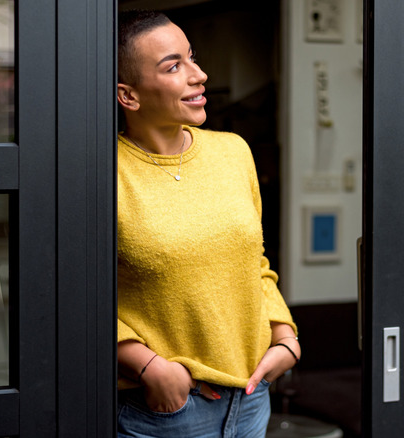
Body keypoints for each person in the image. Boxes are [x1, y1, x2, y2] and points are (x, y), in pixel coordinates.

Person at [116, 10, 300, 438]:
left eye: (192, 58)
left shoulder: (233, 152)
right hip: (163, 409)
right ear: (129, 96)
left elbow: (255, 262)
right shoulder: (105, 172)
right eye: (174, 66)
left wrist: (285, 336)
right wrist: (148, 367)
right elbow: (73, 293)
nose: (199, 75)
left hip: (252, 396)